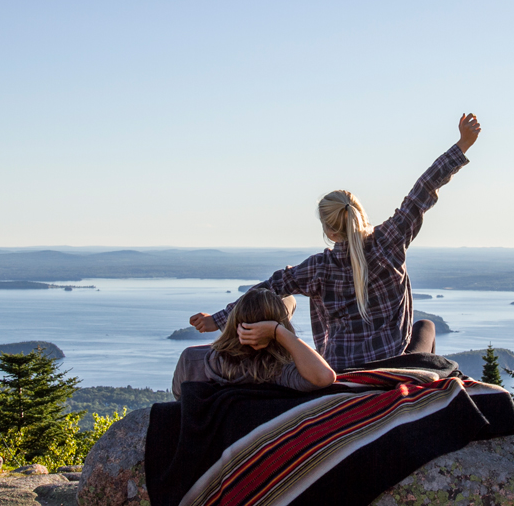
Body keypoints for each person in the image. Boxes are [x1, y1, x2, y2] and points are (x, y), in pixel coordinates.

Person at [189, 113, 481, 372]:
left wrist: (218, 319)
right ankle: (422, 395)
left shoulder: (318, 268)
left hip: (339, 369)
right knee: (425, 327)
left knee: (285, 297)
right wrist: (462, 145)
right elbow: (423, 189)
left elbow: (267, 288)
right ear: (361, 214)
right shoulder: (390, 241)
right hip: (390, 364)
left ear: (329, 231)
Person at [172, 287, 336, 398]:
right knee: (288, 300)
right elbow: (325, 376)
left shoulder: (192, 360)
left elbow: (181, 403)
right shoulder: (278, 371)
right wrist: (277, 331)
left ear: (234, 324)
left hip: (210, 446)